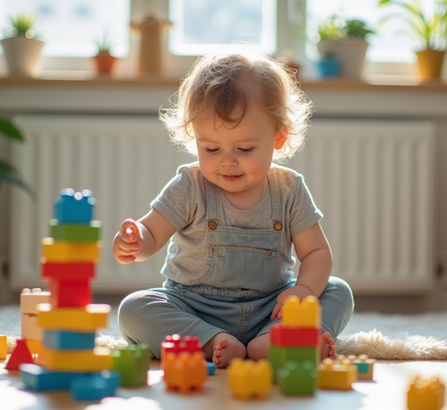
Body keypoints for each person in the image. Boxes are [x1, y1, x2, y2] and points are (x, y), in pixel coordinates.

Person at [113, 49, 353, 367]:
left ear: (278, 138)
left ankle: (276, 339)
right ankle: (213, 340)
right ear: (193, 136)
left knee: (337, 292)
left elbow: (317, 254)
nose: (227, 160)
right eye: (211, 148)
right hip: (193, 307)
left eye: (244, 148)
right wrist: (136, 240)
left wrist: (305, 290)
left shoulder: (289, 188)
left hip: (271, 308)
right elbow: (152, 234)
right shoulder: (190, 184)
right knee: (134, 308)